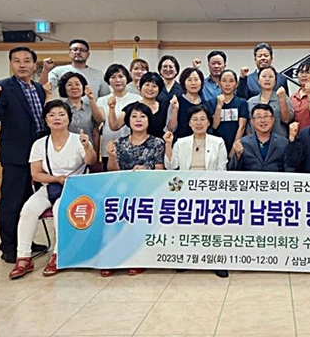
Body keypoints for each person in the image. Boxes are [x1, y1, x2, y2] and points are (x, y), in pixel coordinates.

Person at [8, 100, 97, 279]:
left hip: (75, 188)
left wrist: (87, 146)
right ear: (46, 120)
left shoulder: (78, 140)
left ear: (69, 119)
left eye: (61, 114)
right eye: (52, 115)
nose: (57, 118)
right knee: (28, 210)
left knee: (59, 210)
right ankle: (23, 257)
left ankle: (58, 255)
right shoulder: (39, 144)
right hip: (50, 186)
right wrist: (56, 179)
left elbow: (91, 161)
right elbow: (36, 174)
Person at [0, 46, 48, 264]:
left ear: (34, 65)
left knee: (29, 202)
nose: (22, 65)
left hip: (38, 154)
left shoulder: (38, 89)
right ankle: (9, 247)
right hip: (16, 155)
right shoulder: (2, 87)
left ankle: (25, 242)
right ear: (11, 64)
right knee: (11, 202)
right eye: (17, 61)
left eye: (27, 60)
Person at [164, 105, 229, 278]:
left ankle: (216, 260)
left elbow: (222, 170)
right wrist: (168, 145)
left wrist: (212, 190)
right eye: (195, 119)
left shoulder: (218, 142)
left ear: (208, 122)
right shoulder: (181, 142)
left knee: (213, 227)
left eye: (202, 119)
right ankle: (186, 258)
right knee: (187, 226)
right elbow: (171, 166)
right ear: (189, 123)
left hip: (211, 190)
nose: (199, 123)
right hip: (186, 190)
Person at [103, 102, 165, 277]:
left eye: (143, 116)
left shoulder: (157, 143)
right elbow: (112, 171)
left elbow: (161, 171)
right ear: (128, 121)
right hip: (123, 191)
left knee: (139, 215)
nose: (138, 120)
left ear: (149, 120)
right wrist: (112, 156)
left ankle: (137, 258)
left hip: (148, 191)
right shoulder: (119, 143)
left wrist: (147, 170)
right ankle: (111, 258)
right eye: (134, 116)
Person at [95, 64, 140, 171]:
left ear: (127, 78)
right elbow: (99, 121)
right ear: (108, 80)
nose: (117, 80)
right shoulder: (101, 100)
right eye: (113, 77)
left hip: (132, 148)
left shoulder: (137, 99)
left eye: (121, 76)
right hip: (109, 148)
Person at [40, 39, 110, 99]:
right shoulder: (58, 71)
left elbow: (105, 98)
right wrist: (45, 70)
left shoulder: (98, 74)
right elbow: (42, 89)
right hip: (66, 110)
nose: (78, 52)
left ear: (88, 54)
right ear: (69, 53)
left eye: (82, 50)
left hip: (92, 110)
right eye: (75, 49)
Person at [228, 104, 289, 172]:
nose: (263, 120)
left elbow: (289, 169)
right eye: (258, 117)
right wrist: (238, 155)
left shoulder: (284, 143)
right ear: (252, 121)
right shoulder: (243, 143)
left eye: (266, 116)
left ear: (272, 119)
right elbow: (232, 171)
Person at [109, 72, 169, 139]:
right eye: (147, 85)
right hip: (136, 144)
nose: (150, 89)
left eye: (154, 86)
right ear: (140, 87)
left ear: (159, 89)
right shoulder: (132, 107)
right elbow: (114, 126)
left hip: (160, 144)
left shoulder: (165, 106)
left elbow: (171, 128)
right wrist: (112, 108)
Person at [205, 69, 249, 157]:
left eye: (231, 81)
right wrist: (219, 107)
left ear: (236, 84)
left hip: (236, 146)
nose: (227, 84)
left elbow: (242, 127)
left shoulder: (242, 103)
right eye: (224, 81)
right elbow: (214, 126)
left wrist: (233, 149)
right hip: (216, 146)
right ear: (219, 83)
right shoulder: (211, 103)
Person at [57, 72, 100, 151]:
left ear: (83, 87)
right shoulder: (59, 109)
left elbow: (95, 133)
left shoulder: (91, 108)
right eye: (69, 85)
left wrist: (95, 154)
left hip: (88, 151)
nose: (74, 87)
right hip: (67, 151)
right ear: (64, 88)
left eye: (77, 84)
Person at [247, 66, 294, 138]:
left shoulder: (284, 97)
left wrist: (282, 100)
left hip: (279, 141)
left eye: (271, 77)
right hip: (255, 142)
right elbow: (248, 126)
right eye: (264, 76)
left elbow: (286, 120)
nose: (267, 79)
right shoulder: (250, 102)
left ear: (275, 81)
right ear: (258, 80)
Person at [166, 67, 204, 140]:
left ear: (201, 82)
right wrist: (175, 110)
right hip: (181, 142)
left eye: (196, 79)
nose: (193, 83)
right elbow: (170, 129)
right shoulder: (176, 102)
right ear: (183, 83)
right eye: (189, 80)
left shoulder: (204, 103)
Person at [291, 58, 310, 129]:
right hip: (297, 134)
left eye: (308, 72)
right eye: (301, 72)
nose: (304, 75)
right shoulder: (293, 96)